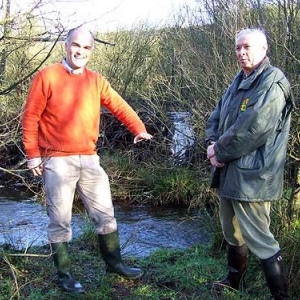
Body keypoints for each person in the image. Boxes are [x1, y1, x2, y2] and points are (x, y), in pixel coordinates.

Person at [21, 26, 152, 293]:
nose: (80, 51)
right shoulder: (46, 77)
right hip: (56, 161)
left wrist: (138, 128)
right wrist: (33, 156)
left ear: (92, 50)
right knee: (60, 221)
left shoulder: (95, 80)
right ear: (66, 46)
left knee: (106, 215)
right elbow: (30, 117)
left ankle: (114, 264)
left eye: (86, 47)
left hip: (90, 159)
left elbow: (118, 104)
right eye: (76, 45)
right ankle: (65, 275)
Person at [205, 28, 293, 300]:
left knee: (261, 239)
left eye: (248, 47)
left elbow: (254, 128)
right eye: (238, 48)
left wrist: (218, 150)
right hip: (229, 171)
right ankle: (234, 282)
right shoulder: (239, 79)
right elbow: (217, 114)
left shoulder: (272, 81)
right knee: (232, 232)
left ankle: (281, 296)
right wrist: (211, 143)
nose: (242, 53)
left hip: (253, 176)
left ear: (264, 49)